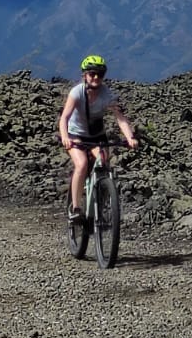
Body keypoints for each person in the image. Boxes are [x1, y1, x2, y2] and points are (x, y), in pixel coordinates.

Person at [58, 54, 138, 223]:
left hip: (96, 135)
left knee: (103, 162)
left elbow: (120, 118)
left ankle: (99, 199)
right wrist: (65, 137)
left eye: (100, 74)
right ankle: (76, 208)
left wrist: (130, 137)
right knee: (82, 164)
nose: (96, 78)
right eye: (92, 74)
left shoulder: (106, 94)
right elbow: (64, 117)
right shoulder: (76, 93)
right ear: (84, 75)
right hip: (76, 134)